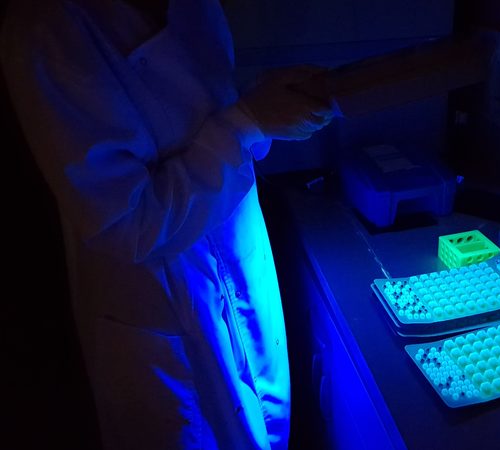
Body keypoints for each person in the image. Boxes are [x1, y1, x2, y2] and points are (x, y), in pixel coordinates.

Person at [1, 0, 334, 448]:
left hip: (238, 263)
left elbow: (205, 112)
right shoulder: (48, 27)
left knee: (265, 428)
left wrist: (260, 106)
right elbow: (127, 221)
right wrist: (248, 122)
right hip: (161, 312)